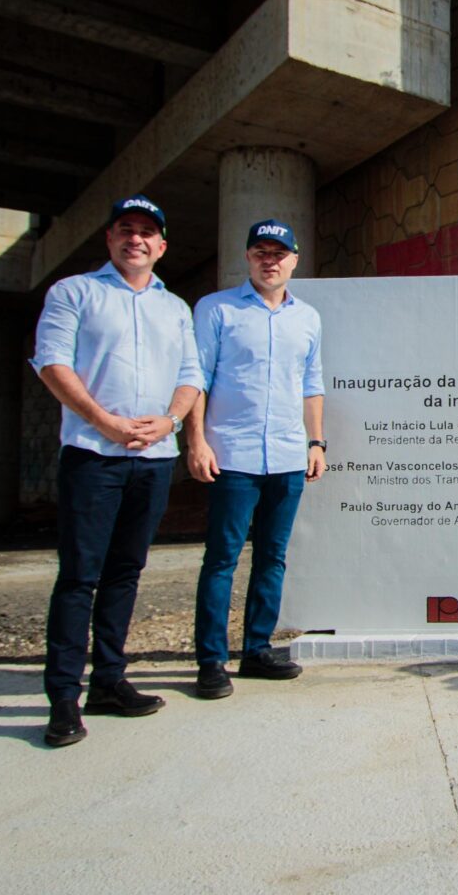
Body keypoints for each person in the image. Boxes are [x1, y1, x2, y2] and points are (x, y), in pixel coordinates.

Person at [31, 195, 202, 747]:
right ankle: (63, 699)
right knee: (80, 575)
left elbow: (192, 374)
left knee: (126, 573)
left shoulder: (174, 307)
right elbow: (51, 363)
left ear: (162, 245)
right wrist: (103, 420)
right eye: (125, 229)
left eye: (147, 231)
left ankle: (108, 681)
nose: (136, 238)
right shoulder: (75, 292)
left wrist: (171, 421)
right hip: (92, 455)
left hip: (152, 458)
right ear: (109, 239)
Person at [185, 219, 325, 700]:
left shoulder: (307, 317)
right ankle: (210, 661)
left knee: (272, 558)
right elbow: (196, 379)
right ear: (248, 257)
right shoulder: (216, 309)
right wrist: (196, 441)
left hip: (288, 454)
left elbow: (312, 384)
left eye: (279, 252)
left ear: (294, 260)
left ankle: (257, 649)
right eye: (261, 251)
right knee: (221, 559)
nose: (271, 260)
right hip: (232, 456)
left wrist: (316, 442)